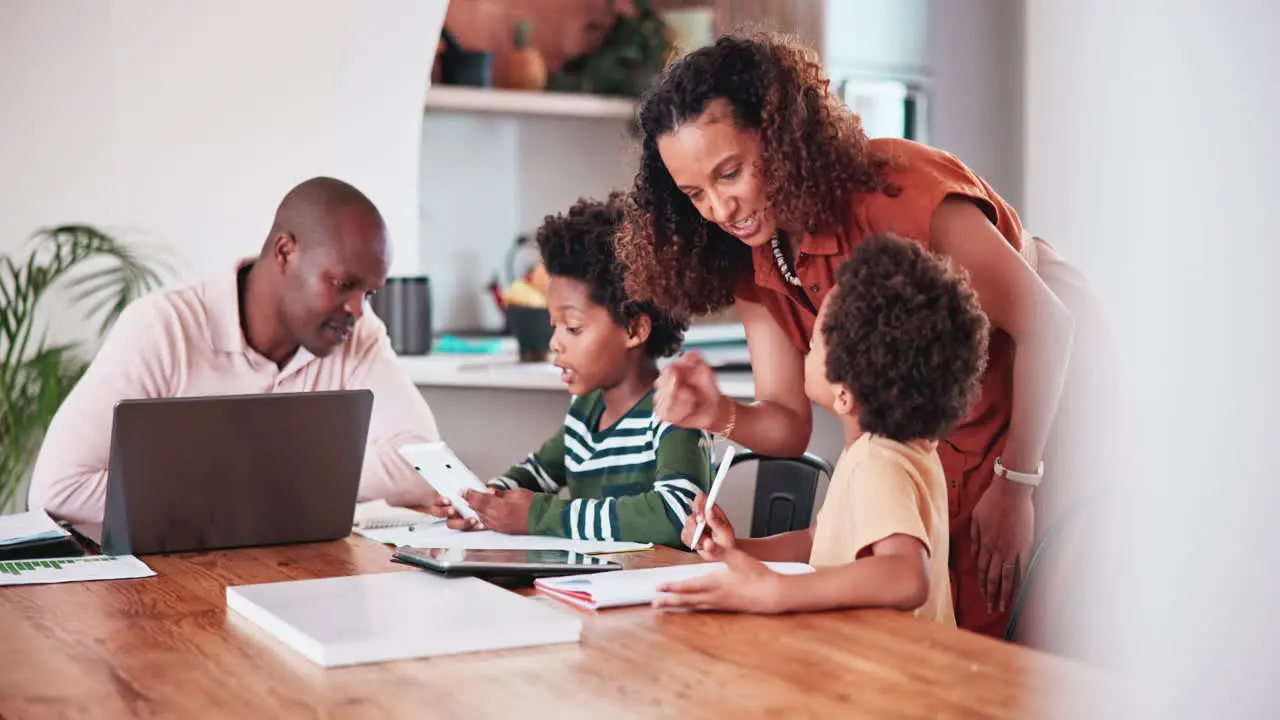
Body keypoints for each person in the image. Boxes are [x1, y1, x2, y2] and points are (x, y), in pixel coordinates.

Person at [615, 32, 1115, 637]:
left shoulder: (898, 194)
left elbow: (1048, 326)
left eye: (731, 172)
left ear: (780, 137)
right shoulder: (749, 256)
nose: (721, 208)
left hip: (1050, 397)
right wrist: (718, 412)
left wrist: (1017, 484)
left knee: (1045, 631)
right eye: (695, 194)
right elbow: (787, 422)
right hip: (938, 440)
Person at [28, 176, 442, 524]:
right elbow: (59, 488)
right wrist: (274, 487)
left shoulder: (356, 331)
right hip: (165, 593)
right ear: (284, 252)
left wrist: (263, 476)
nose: (357, 309)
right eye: (343, 284)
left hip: (297, 579)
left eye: (368, 292)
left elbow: (427, 467)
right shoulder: (164, 328)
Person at [654, 234, 988, 621]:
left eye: (813, 344)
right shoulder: (898, 451)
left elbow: (907, 577)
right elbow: (818, 544)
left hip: (894, 677)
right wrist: (738, 551)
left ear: (843, 394)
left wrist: (777, 591)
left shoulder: (878, 462)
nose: (805, 352)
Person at [429, 194, 713, 547]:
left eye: (573, 327)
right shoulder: (586, 412)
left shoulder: (676, 413)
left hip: (654, 593)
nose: (555, 343)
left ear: (634, 330)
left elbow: (678, 515)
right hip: (585, 591)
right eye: (554, 326)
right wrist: (484, 501)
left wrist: (541, 517)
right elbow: (534, 473)